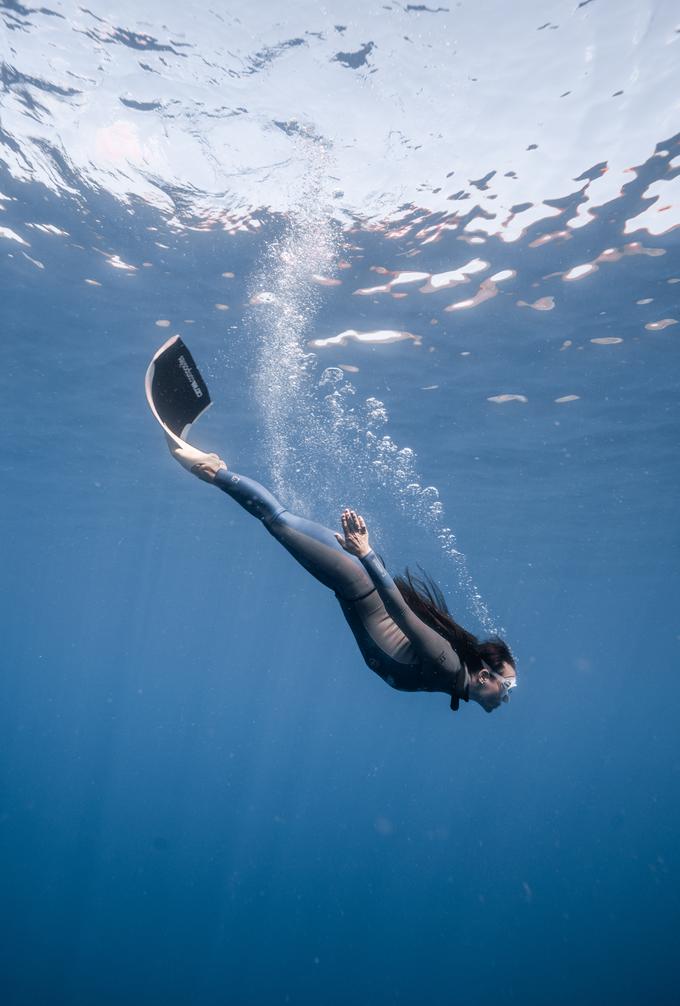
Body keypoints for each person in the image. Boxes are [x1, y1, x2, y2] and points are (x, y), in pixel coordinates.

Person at [167, 438, 516, 715]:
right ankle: (211, 470)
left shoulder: (449, 679)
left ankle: (217, 470)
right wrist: (364, 553)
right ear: (486, 676)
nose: (506, 699)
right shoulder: (448, 666)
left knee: (280, 518)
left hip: (355, 582)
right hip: (355, 580)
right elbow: (400, 613)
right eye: (508, 688)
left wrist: (366, 556)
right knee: (276, 519)